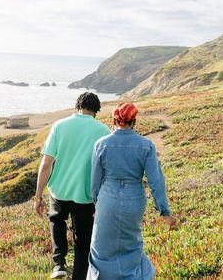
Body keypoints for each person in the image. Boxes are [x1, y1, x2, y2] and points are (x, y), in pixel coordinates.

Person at [87, 102, 176, 280]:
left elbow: (95, 182)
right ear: (133, 121)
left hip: (107, 198)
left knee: (100, 249)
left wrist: (97, 204)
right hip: (134, 199)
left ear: (114, 120)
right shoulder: (146, 146)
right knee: (131, 247)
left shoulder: (101, 144)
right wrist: (164, 211)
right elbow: (156, 181)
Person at [34, 92, 110, 280]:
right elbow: (107, 168)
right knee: (83, 242)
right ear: (96, 111)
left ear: (77, 106)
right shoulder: (103, 130)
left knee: (56, 220)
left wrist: (38, 195)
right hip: (86, 195)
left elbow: (46, 163)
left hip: (59, 190)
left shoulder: (59, 126)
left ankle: (59, 263)